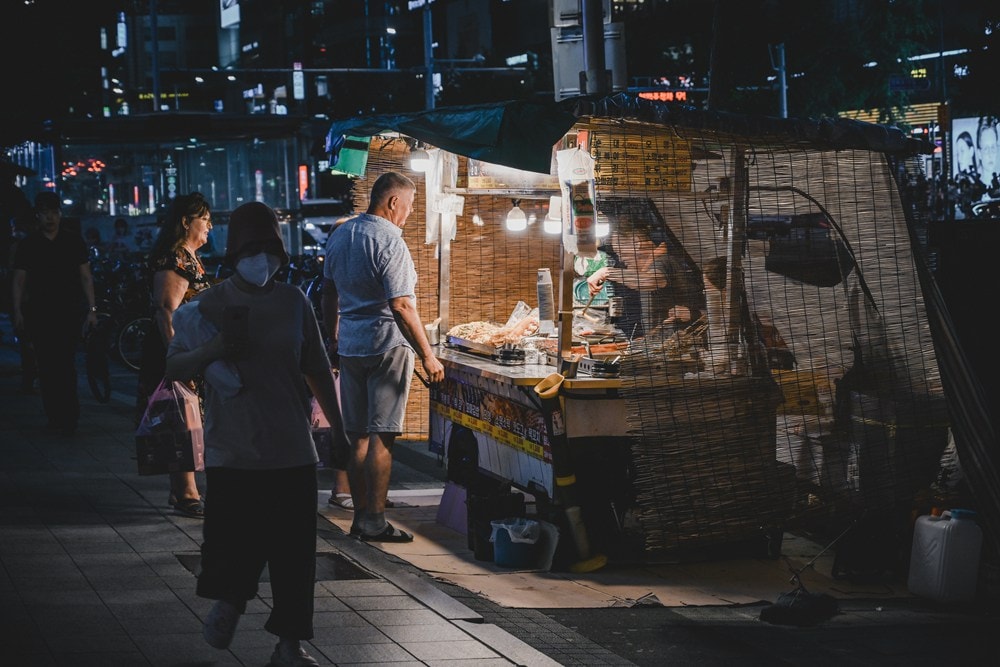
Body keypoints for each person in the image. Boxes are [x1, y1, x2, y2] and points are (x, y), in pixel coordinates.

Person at [165, 201, 342, 666]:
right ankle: (231, 600)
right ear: (236, 250)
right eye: (253, 247)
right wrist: (214, 348)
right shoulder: (209, 304)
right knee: (231, 544)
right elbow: (175, 367)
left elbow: (318, 368)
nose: (262, 257)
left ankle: (288, 645)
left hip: (292, 452)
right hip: (233, 452)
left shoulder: (293, 301)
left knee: (294, 558)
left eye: (270, 247)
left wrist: (339, 427)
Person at [322, 171, 444, 542]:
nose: (408, 214)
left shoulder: (342, 234)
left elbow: (328, 293)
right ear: (393, 202)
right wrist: (428, 355)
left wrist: (333, 338)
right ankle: (374, 520)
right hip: (388, 345)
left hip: (351, 345)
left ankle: (361, 517)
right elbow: (402, 304)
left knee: (356, 436)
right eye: (408, 206)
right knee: (383, 436)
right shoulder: (390, 240)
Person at [135, 192, 214, 519]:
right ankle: (186, 493)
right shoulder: (175, 258)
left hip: (186, 349)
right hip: (175, 350)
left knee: (184, 416)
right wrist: (177, 358)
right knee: (181, 417)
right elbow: (166, 310)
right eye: (204, 220)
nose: (210, 226)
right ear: (185, 222)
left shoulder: (187, 256)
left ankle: (181, 489)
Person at [10, 191, 99, 436]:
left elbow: (85, 277)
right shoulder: (28, 245)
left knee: (66, 364)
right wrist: (17, 310)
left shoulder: (73, 241)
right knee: (47, 365)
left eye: (54, 212)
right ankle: (55, 415)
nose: (50, 218)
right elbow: (19, 280)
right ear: (37, 216)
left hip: (69, 311)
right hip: (39, 312)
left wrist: (92, 310)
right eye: (44, 213)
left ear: (60, 214)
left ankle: (69, 416)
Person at [586, 220, 703, 339]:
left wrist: (606, 272)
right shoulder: (645, 269)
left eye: (621, 252)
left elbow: (650, 281)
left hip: (683, 342)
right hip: (663, 344)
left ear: (636, 243)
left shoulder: (663, 261)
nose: (621, 259)